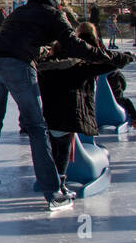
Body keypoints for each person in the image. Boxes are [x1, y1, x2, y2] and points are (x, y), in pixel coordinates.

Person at [0, 0, 97, 202]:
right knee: (37, 126)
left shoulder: (19, 12)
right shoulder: (53, 13)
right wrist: (103, 57)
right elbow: (72, 44)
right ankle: (53, 190)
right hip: (17, 63)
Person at [36, 38, 134, 211]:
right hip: (68, 118)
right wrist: (126, 57)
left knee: (53, 150)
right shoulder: (77, 67)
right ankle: (58, 187)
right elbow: (107, 65)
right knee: (63, 153)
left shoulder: (43, 69)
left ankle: (52, 181)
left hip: (49, 119)